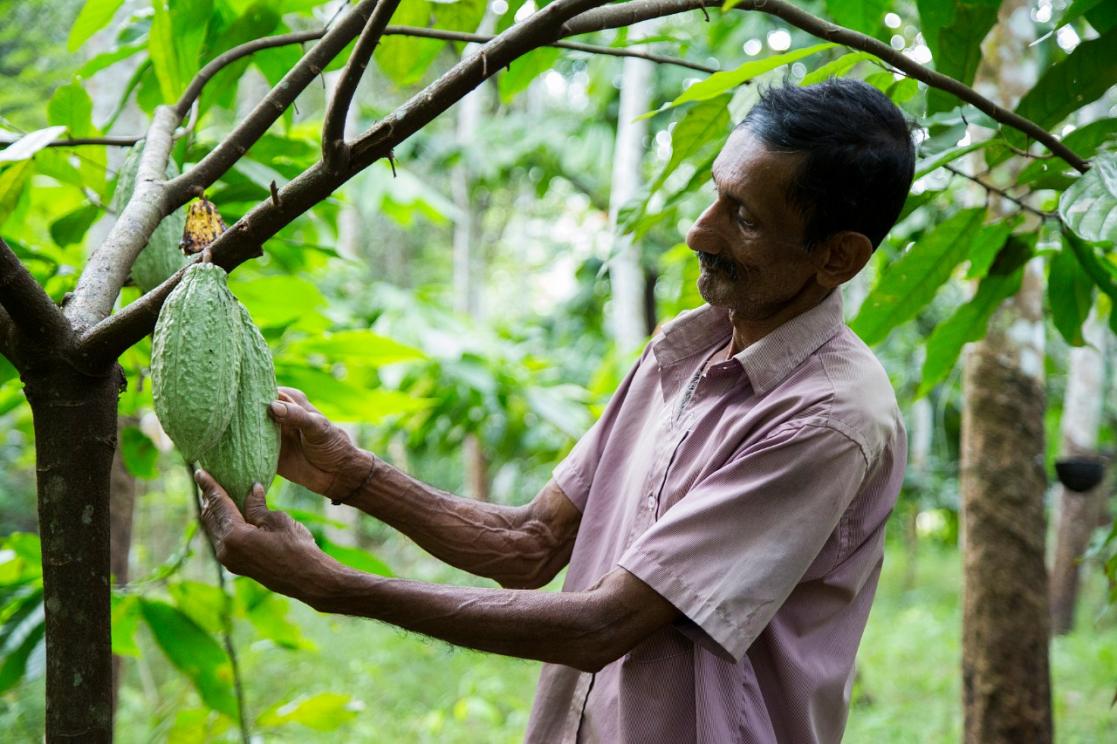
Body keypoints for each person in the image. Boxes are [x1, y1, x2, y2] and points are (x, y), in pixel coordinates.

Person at [197, 78, 915, 744]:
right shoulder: (684, 351)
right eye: (714, 196)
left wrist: (331, 585)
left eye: (744, 218)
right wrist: (352, 475)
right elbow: (532, 544)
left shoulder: (826, 421)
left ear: (838, 258)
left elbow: (605, 625)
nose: (699, 232)